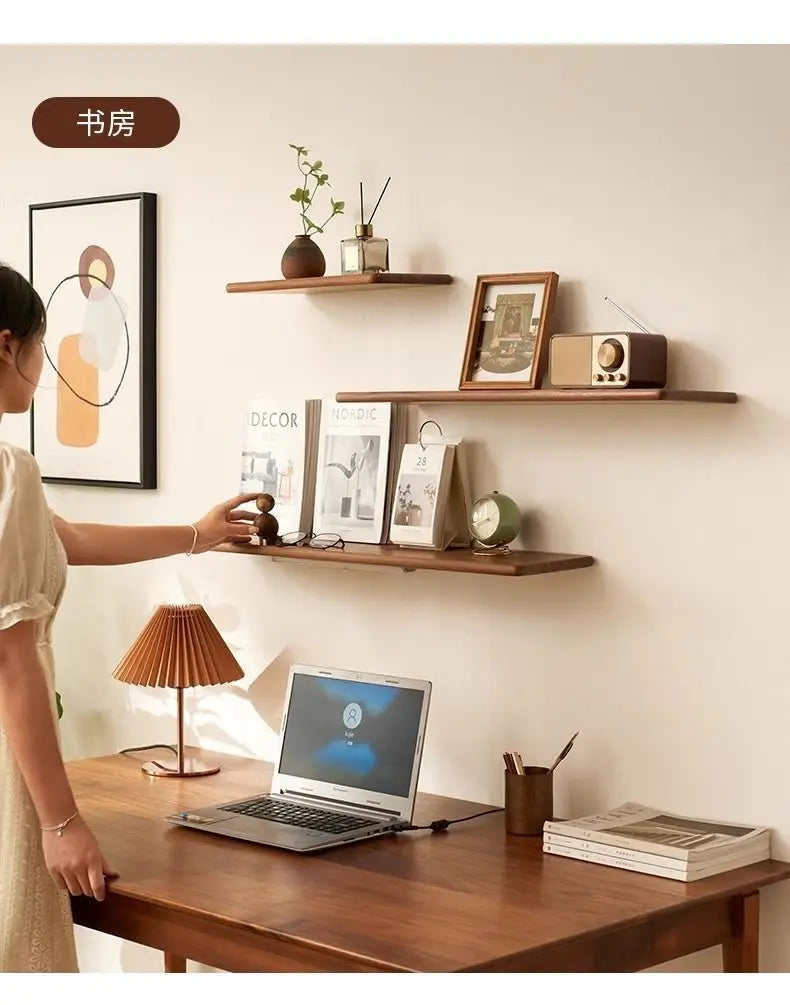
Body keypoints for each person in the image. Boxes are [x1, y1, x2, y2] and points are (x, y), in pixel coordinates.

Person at [0, 263, 258, 973]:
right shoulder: (9, 471)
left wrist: (196, 534)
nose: (43, 375)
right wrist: (61, 822)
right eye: (40, 353)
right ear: (5, 347)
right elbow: (13, 665)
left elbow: (67, 540)